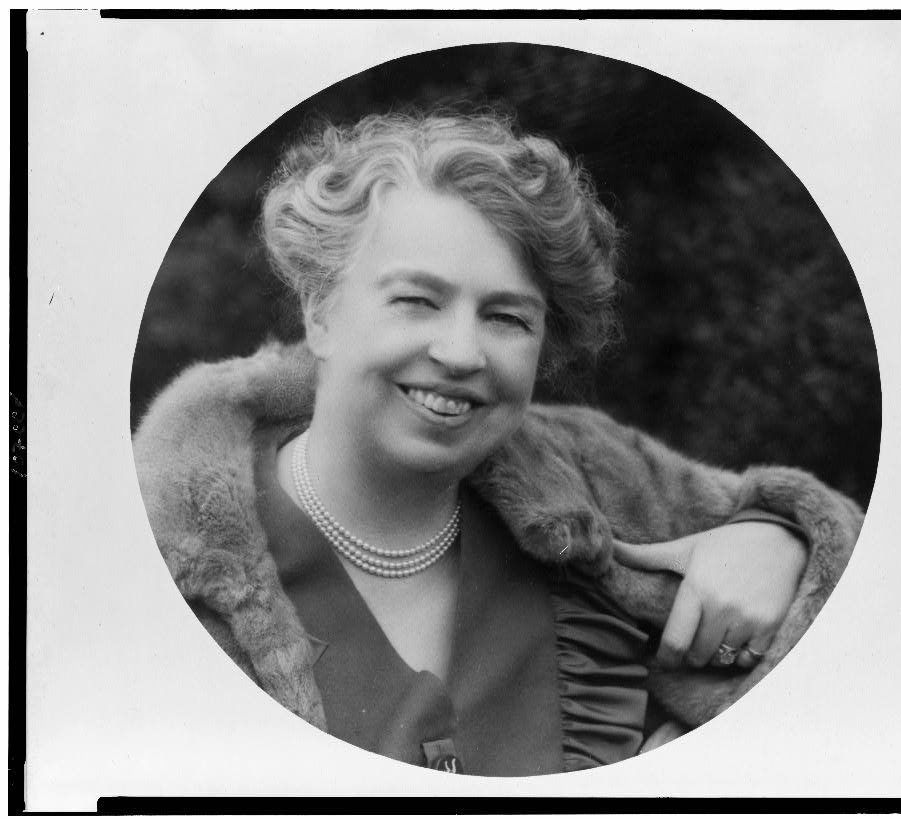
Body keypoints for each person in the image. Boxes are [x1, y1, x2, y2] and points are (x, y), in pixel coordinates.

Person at [133, 111, 863, 776]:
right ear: (320, 312)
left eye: (507, 317)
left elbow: (881, 609)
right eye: (417, 300)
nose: (460, 352)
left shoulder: (595, 478)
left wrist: (775, 539)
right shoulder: (156, 577)